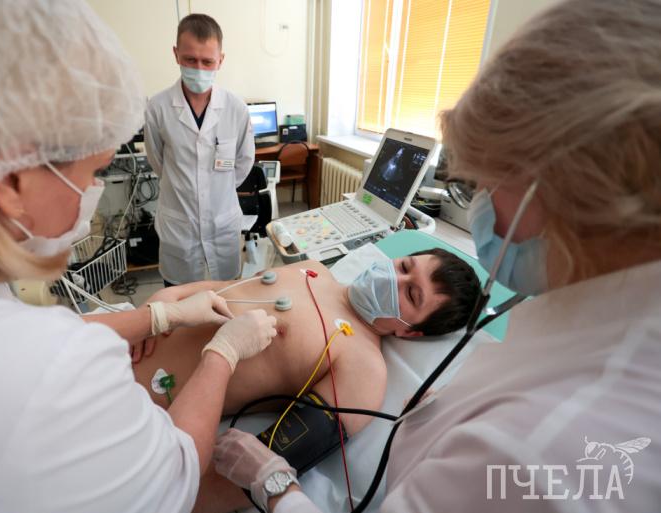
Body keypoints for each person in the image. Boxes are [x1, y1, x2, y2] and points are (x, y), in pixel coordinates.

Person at [212, 1, 661, 512]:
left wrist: (273, 482)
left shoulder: (542, 445)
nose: (479, 201)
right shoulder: (580, 328)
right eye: (404, 266)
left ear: (558, 189)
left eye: (485, 181)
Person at [0, 2, 277, 512]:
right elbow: (177, 477)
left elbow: (243, 163)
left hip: (221, 227)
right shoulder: (56, 365)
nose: (93, 194)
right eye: (92, 174)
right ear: (9, 180)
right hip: (182, 232)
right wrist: (222, 352)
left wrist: (156, 317)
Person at [132, 249, 480, 512]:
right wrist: (167, 299)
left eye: (411, 294)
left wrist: (166, 502)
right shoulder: (315, 270)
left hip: (135, 411)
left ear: (411, 332)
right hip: (125, 339)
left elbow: (255, 468)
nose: (395, 279)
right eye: (404, 266)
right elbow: (223, 288)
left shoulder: (363, 368)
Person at [145, 14, 255, 286]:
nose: (199, 68)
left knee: (226, 293)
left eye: (207, 62)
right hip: (179, 225)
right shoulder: (157, 108)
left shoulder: (236, 109)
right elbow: (158, 161)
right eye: (190, 60)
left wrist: (217, 186)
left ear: (221, 60)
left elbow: (244, 162)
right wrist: (189, 184)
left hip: (223, 222)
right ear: (176, 54)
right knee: (179, 297)